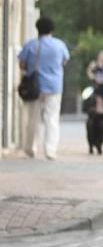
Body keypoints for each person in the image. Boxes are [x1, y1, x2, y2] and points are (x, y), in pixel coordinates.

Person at [17, 17, 71, 160]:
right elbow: (65, 61)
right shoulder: (60, 45)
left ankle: (31, 148)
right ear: (52, 30)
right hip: (54, 86)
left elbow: (22, 64)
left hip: (34, 87)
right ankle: (50, 150)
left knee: (32, 118)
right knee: (52, 119)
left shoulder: (31, 45)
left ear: (37, 29)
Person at [85, 49, 103, 154]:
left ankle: (99, 144)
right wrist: (93, 77)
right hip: (96, 91)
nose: (102, 57)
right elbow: (89, 72)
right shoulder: (94, 65)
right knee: (90, 122)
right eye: (100, 55)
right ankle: (92, 145)